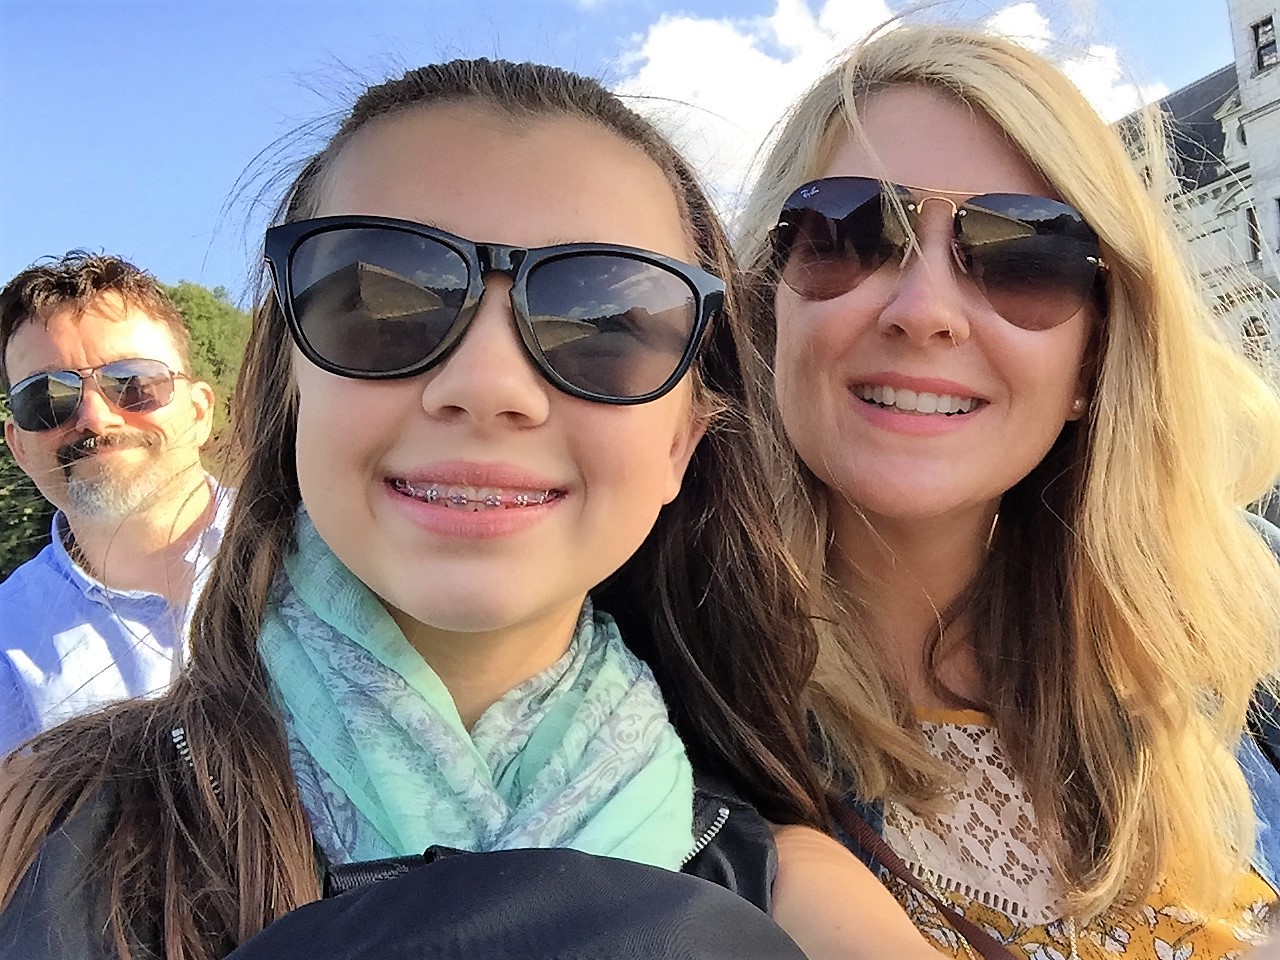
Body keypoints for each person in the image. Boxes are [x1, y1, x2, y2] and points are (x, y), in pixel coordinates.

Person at [0, 59, 939, 960]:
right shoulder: (40, 825)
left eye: (605, 326)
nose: (488, 384)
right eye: (381, 304)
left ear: (681, 445)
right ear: (292, 388)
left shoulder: (793, 893)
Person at [735, 22, 1280, 960]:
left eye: (1026, 255)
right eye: (851, 233)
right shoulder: (651, 732)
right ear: (767, 305)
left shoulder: (1238, 609)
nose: (925, 312)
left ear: (1092, 363)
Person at [0, 253, 228, 754]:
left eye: (134, 383)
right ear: (18, 446)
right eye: (47, 398)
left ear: (198, 412)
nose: (95, 417)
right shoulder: (8, 641)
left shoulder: (329, 553)